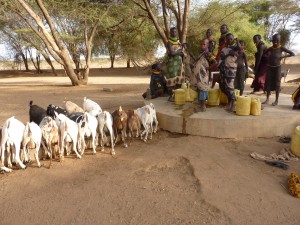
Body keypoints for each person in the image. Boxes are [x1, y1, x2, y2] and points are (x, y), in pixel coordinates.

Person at [263, 33, 295, 106]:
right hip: (270, 67)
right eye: (274, 40)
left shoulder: (281, 48)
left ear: (279, 41)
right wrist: (268, 58)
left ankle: (276, 101)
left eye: (277, 40)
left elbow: (292, 53)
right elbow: (264, 54)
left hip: (277, 68)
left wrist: (282, 57)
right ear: (272, 40)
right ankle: (267, 99)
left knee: (277, 83)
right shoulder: (270, 48)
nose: (275, 42)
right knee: (268, 83)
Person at [192, 39, 217, 112]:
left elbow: (215, 62)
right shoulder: (201, 53)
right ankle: (200, 104)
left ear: (207, 45)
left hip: (203, 75)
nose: (202, 45)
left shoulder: (208, 53)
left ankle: (203, 107)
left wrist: (208, 68)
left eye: (204, 44)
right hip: (198, 75)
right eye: (201, 44)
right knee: (199, 89)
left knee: (202, 89)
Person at [219, 33, 240, 112]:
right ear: (226, 40)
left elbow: (239, 47)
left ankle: (233, 103)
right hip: (224, 69)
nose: (229, 40)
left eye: (231, 39)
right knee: (223, 87)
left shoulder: (235, 48)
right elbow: (222, 57)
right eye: (228, 39)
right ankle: (229, 102)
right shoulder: (224, 49)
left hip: (231, 71)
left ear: (233, 39)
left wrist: (237, 41)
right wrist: (229, 53)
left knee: (230, 87)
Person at [164, 27, 184, 100]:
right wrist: (179, 52)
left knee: (179, 80)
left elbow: (182, 53)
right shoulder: (169, 42)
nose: (174, 33)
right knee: (171, 80)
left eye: (175, 32)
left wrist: (180, 53)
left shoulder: (178, 42)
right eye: (172, 32)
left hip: (179, 63)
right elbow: (172, 53)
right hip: (171, 64)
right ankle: (170, 96)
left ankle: (177, 95)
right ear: (170, 33)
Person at [211, 24, 229, 88]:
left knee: (217, 68)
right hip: (220, 52)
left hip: (224, 53)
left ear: (227, 29)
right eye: (221, 28)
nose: (221, 29)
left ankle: (216, 84)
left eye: (223, 28)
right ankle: (214, 84)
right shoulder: (221, 36)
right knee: (215, 68)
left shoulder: (227, 36)